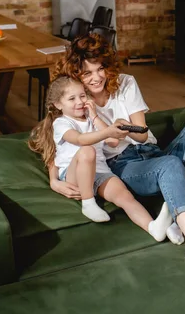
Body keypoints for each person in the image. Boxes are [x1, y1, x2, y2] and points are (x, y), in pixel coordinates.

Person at [50, 34, 185, 274]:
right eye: (87, 73)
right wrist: (54, 180)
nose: (97, 77)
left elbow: (143, 134)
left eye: (101, 68)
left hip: (150, 150)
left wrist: (125, 127)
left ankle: (175, 205)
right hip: (123, 164)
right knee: (169, 165)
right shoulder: (75, 101)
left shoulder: (126, 83)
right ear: (76, 75)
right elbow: (58, 145)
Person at [28, 76, 173, 241]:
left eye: (82, 96)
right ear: (58, 105)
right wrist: (108, 131)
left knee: (125, 196)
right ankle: (88, 203)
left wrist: (96, 117)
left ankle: (153, 228)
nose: (79, 102)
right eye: (72, 98)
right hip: (74, 174)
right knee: (87, 151)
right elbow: (81, 140)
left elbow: (113, 141)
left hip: (101, 172)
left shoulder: (92, 118)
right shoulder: (61, 123)